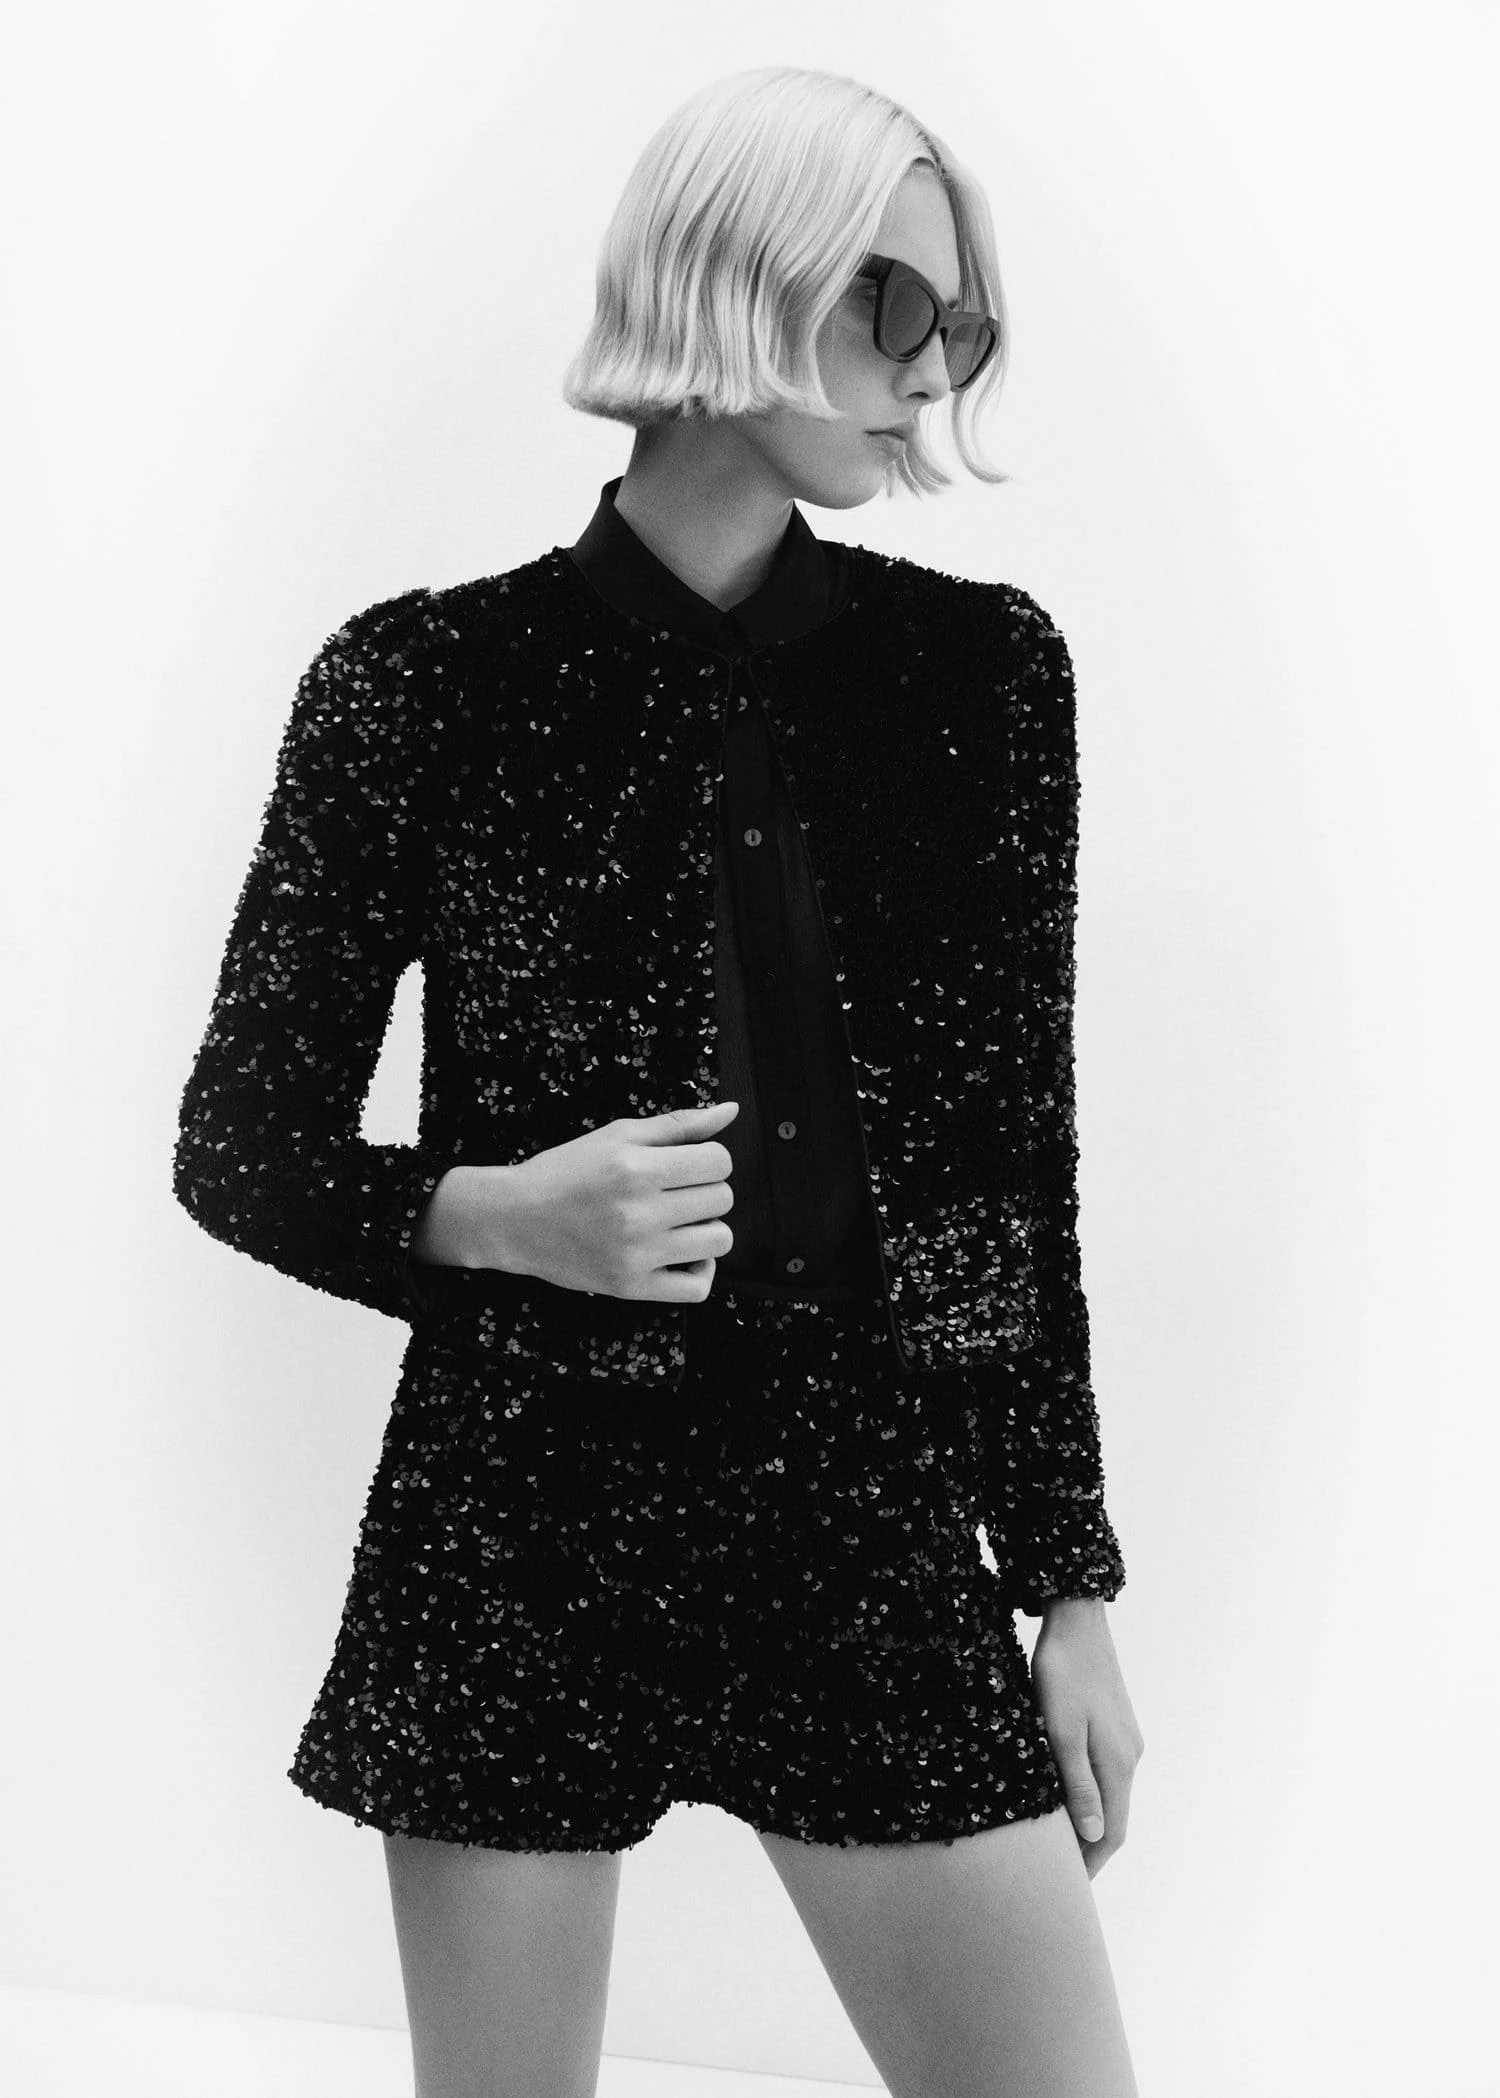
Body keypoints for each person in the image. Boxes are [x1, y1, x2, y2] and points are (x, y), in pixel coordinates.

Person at [173, 62, 1144, 2098]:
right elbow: (239, 1141)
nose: (933, 368)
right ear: (736, 279)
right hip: (517, 1513)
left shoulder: (984, 682)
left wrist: (1064, 1585)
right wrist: (496, 1210)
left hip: (865, 1510)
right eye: (896, 303)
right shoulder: (418, 685)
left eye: (962, 327)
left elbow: (1001, 1179)